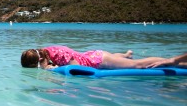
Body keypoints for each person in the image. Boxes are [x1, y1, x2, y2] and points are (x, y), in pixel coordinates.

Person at [20, 45, 168, 70]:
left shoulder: (59, 54)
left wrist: (52, 69)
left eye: (37, 66)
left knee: (137, 65)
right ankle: (125, 55)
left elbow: (76, 66)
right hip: (93, 55)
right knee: (118, 59)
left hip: (97, 60)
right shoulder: (47, 51)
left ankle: (166, 61)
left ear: (39, 60)